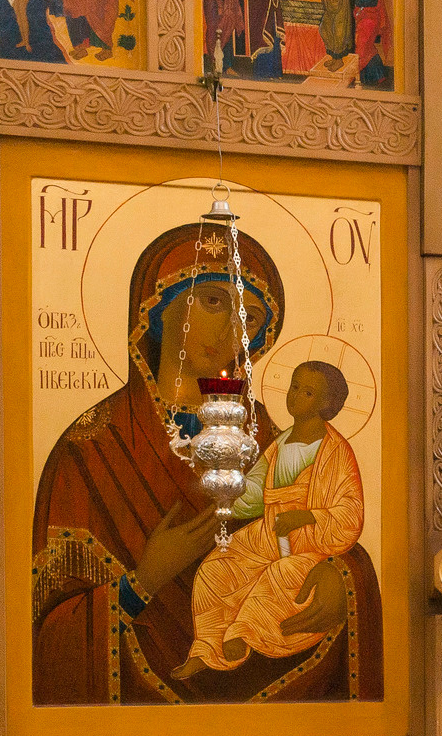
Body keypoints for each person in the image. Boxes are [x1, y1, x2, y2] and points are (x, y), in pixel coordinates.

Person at [31, 221, 380, 705]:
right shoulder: (92, 446)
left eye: (251, 318)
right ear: (157, 308)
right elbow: (48, 635)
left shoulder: (266, 434)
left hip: (273, 705)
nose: (232, 329)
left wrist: (343, 579)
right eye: (214, 301)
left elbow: (330, 519)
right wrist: (144, 581)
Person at [180, 361, 365, 676]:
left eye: (307, 392)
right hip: (268, 532)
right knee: (216, 568)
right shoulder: (281, 443)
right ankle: (208, 647)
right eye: (294, 386)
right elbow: (254, 493)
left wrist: (305, 516)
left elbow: (350, 512)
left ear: (326, 404)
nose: (295, 396)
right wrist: (228, 487)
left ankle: (243, 634)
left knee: (281, 575)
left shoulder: (336, 453)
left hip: (310, 543)